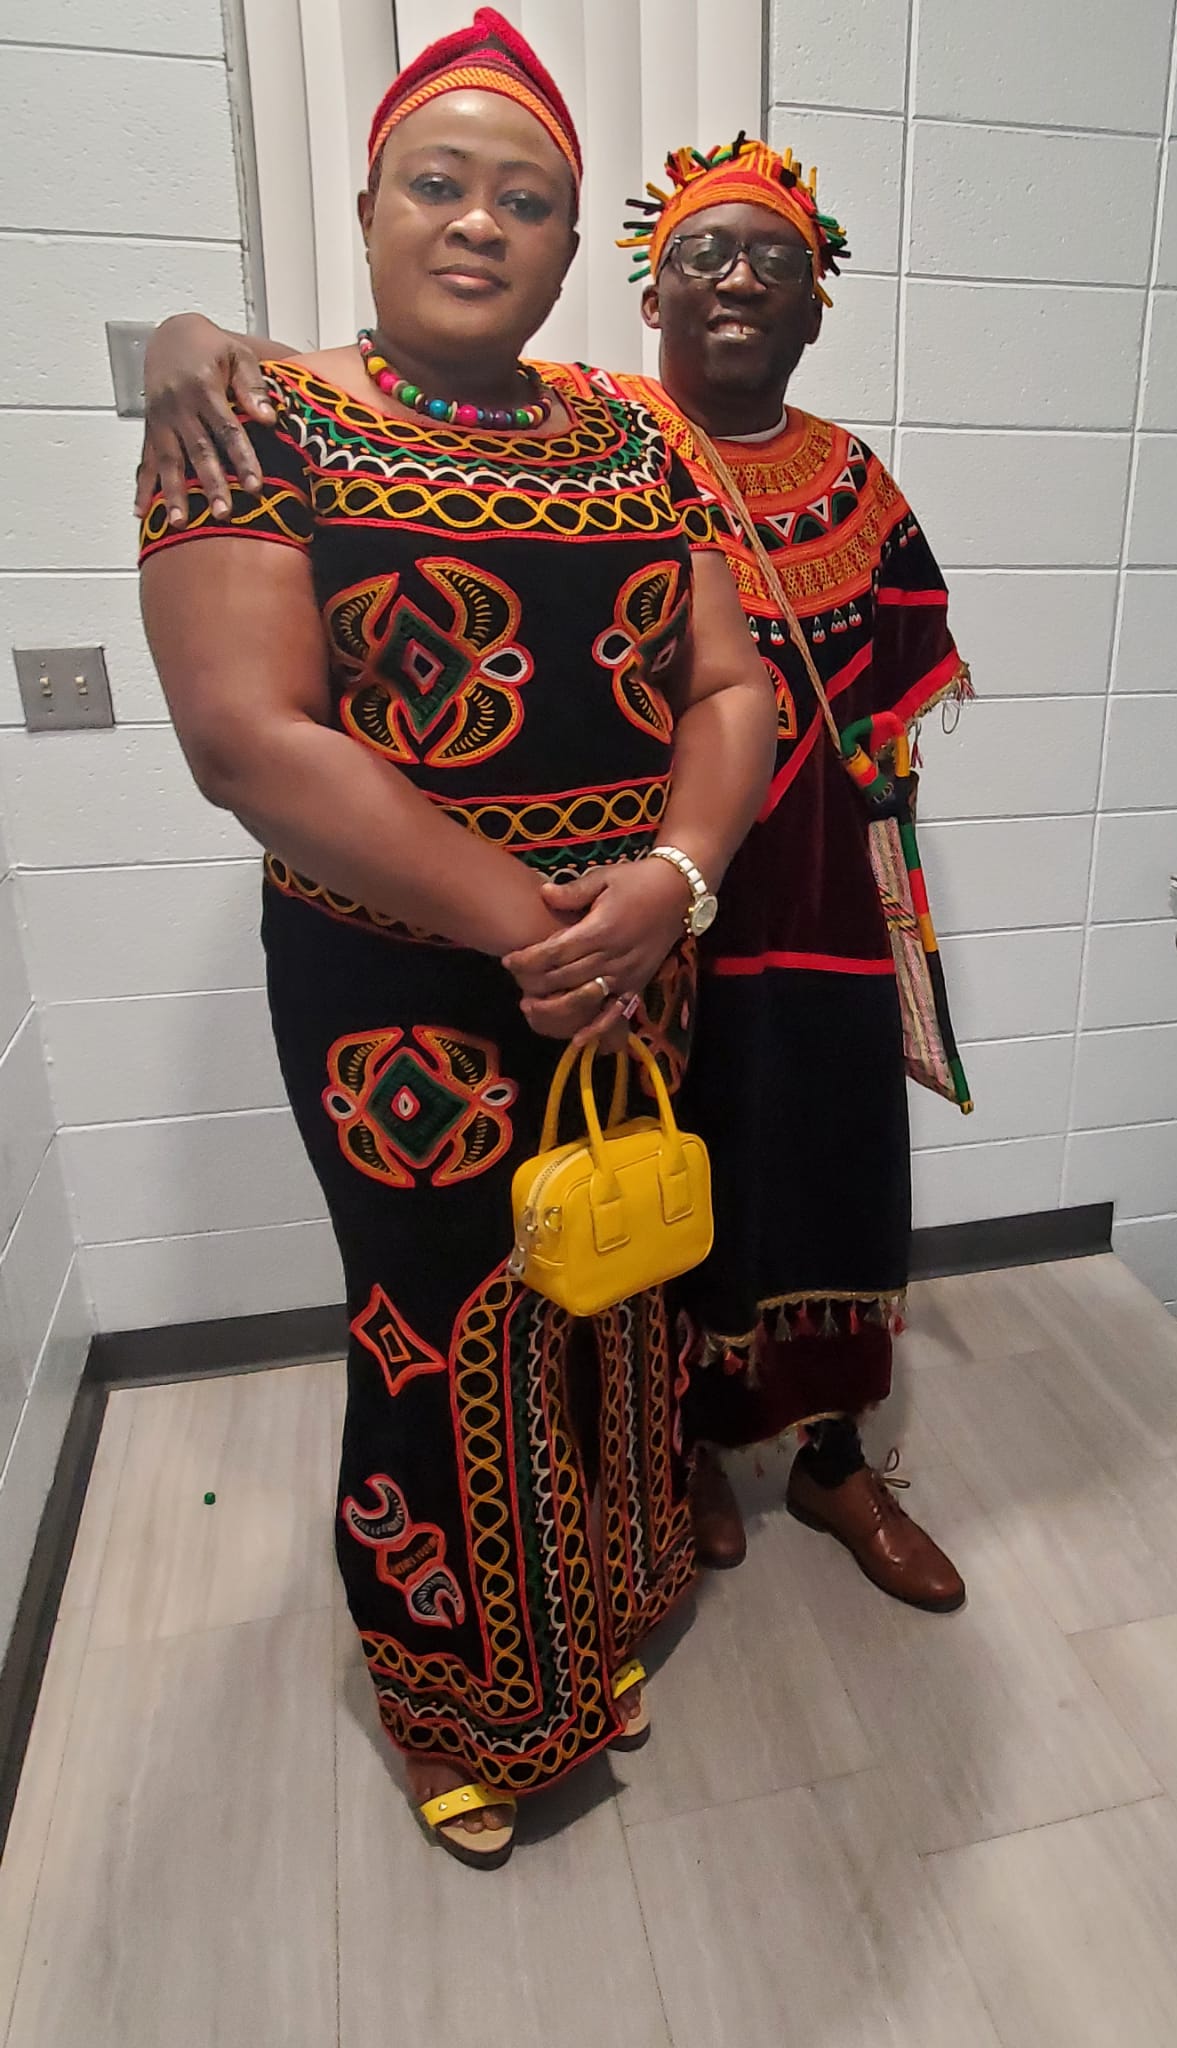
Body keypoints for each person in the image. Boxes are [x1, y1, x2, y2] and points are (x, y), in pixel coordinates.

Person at [137, 140, 971, 1615]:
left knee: (761, 1201)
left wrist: (717, 883)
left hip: (757, 913)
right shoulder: (590, 419)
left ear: (816, 302)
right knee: (498, 1282)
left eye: (773, 261)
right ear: (646, 290)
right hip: (510, 952)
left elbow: (816, 703)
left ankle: (790, 1479)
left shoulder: (754, 460)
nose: (736, 284)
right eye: (703, 255)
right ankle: (546, 1601)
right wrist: (183, 336)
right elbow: (251, 715)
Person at [137, 10, 775, 1870]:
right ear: (367, 210)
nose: (480, 221)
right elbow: (248, 740)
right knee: (441, 1329)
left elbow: (728, 686)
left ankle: (596, 1634)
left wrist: (670, 886)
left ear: (571, 251)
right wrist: (537, 931)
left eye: (527, 200)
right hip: (401, 996)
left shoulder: (644, 431)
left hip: (639, 961)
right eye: (439, 182)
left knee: (619, 1286)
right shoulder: (254, 422)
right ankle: (456, 1701)